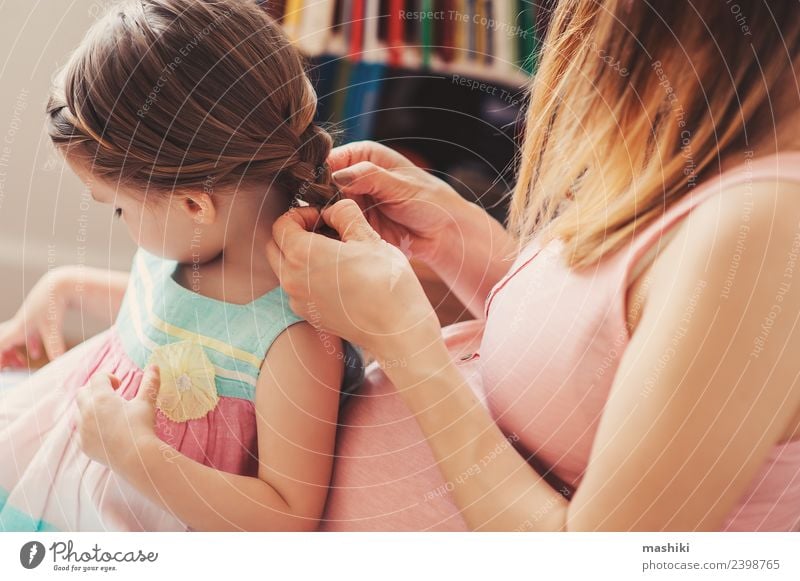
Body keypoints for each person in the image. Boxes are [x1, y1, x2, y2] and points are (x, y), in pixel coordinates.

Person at [78, 0, 800, 531]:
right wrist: (466, 242)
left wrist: (405, 340)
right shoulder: (714, 158)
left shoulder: (768, 234)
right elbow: (604, 364)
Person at [0, 0, 359, 532]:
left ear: (194, 204)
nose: (122, 220)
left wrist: (137, 458)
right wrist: (65, 287)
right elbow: (171, 323)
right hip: (58, 469)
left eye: (118, 206)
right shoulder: (189, 243)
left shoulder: (295, 340)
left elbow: (287, 519)